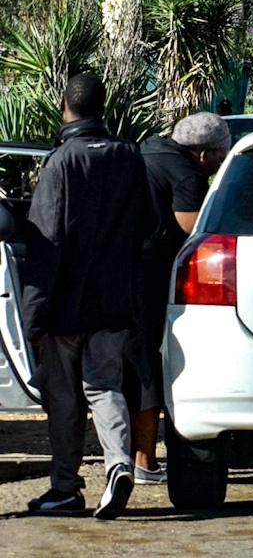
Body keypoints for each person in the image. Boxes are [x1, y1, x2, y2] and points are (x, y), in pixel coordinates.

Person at [20, 73, 155, 519]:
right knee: (105, 386)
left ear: (66, 108)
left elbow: (46, 244)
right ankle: (118, 464)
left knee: (64, 399)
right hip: (115, 302)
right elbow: (148, 226)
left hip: (64, 307)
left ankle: (65, 487)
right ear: (103, 107)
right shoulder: (129, 157)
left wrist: (33, 314)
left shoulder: (60, 163)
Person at [127, 111, 232, 486]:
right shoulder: (186, 175)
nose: (221, 164)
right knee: (149, 369)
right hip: (147, 281)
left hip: (115, 274)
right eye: (221, 156)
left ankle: (129, 457)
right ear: (203, 154)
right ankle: (144, 461)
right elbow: (196, 234)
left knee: (127, 365)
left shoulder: (147, 150)